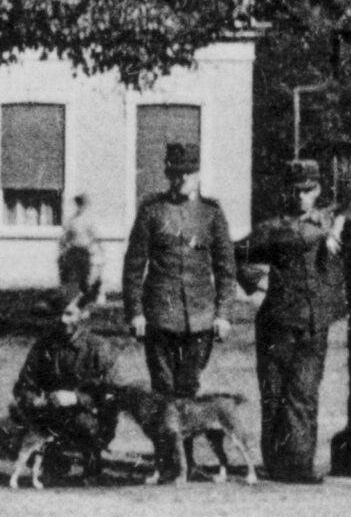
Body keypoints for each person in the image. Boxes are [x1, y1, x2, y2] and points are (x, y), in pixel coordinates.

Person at [122, 140, 236, 477]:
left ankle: (187, 464)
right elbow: (133, 266)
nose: (181, 179)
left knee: (188, 391)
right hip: (159, 316)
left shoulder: (212, 214)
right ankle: (166, 465)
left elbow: (226, 269)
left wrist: (224, 314)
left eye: (187, 173)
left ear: (198, 174)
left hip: (200, 319)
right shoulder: (152, 211)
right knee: (162, 393)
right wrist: (135, 312)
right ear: (168, 174)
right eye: (174, 174)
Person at [238, 159, 342, 482]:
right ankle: (276, 463)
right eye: (296, 191)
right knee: (274, 394)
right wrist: (258, 282)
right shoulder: (274, 229)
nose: (301, 197)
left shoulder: (329, 224)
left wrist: (336, 229)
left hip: (314, 324)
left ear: (319, 190)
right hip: (277, 322)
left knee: (304, 393)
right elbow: (236, 253)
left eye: (308, 190)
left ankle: (300, 466)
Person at [0, 280, 124, 478]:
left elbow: (115, 393)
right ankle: (54, 461)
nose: (62, 320)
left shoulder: (99, 348)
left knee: (83, 424)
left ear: (84, 313)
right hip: (50, 416)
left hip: (89, 419)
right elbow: (23, 385)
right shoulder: (44, 346)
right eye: (57, 314)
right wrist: (34, 399)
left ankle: (92, 462)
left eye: (68, 314)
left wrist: (77, 398)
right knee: (1, 429)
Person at [57, 192, 99, 299]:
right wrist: (62, 251)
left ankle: (83, 305)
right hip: (73, 252)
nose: (80, 206)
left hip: (85, 252)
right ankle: (73, 304)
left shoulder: (89, 220)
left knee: (85, 277)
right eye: (78, 204)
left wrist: (96, 251)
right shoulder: (72, 221)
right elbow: (65, 238)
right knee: (73, 278)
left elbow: (94, 237)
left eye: (83, 204)